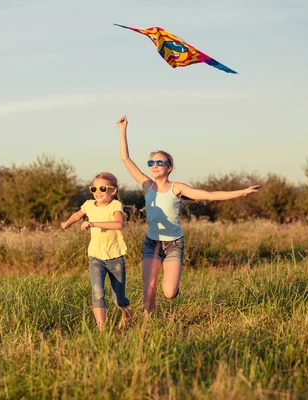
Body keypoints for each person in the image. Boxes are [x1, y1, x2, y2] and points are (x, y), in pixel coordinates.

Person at [117, 115, 260, 316]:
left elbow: (209, 195)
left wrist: (242, 192)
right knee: (148, 288)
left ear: (169, 167)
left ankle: (173, 288)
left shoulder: (178, 187)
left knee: (168, 292)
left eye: (160, 162)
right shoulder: (147, 185)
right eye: (152, 162)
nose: (155, 165)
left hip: (174, 244)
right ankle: (148, 324)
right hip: (152, 243)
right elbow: (125, 159)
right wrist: (123, 130)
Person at [61, 172, 132, 331]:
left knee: (118, 298)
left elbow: (118, 224)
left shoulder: (115, 206)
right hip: (95, 257)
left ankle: (126, 313)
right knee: (98, 292)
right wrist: (66, 223)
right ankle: (102, 330)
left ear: (113, 191)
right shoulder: (88, 204)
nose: (97, 192)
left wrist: (93, 223)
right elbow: (77, 215)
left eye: (102, 188)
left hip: (115, 257)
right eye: (94, 188)